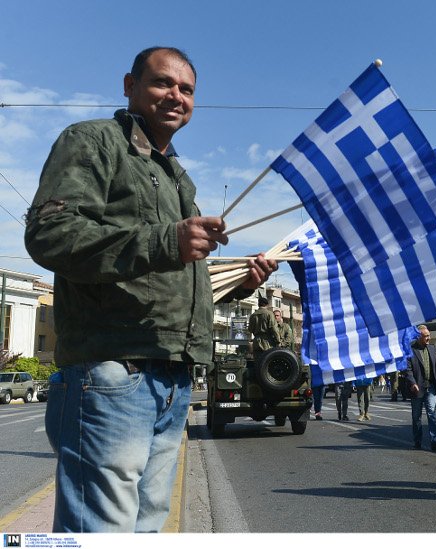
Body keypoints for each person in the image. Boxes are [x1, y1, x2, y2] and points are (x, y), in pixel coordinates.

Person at [24, 46, 276, 532]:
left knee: (146, 528)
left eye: (187, 90)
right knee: (102, 531)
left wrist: (243, 284)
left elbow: (175, 279)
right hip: (113, 375)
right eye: (163, 83)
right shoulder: (93, 142)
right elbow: (48, 235)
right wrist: (170, 239)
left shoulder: (177, 177)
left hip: (171, 380)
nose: (175, 96)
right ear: (130, 85)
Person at [406, 325, 436, 451]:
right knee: (416, 416)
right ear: (418, 337)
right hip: (417, 388)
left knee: (432, 413)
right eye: (426, 336)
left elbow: (435, 367)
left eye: (429, 335)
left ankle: (435, 440)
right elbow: (407, 369)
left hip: (431, 387)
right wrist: (412, 383)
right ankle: (417, 441)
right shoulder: (411, 350)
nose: (428, 338)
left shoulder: (432, 348)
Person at [249, 297, 279, 364]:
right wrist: (278, 341)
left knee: (257, 363)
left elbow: (250, 330)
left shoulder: (253, 315)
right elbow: (274, 329)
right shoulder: (269, 314)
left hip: (256, 341)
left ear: (258, 304)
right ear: (267, 305)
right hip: (267, 342)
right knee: (267, 363)